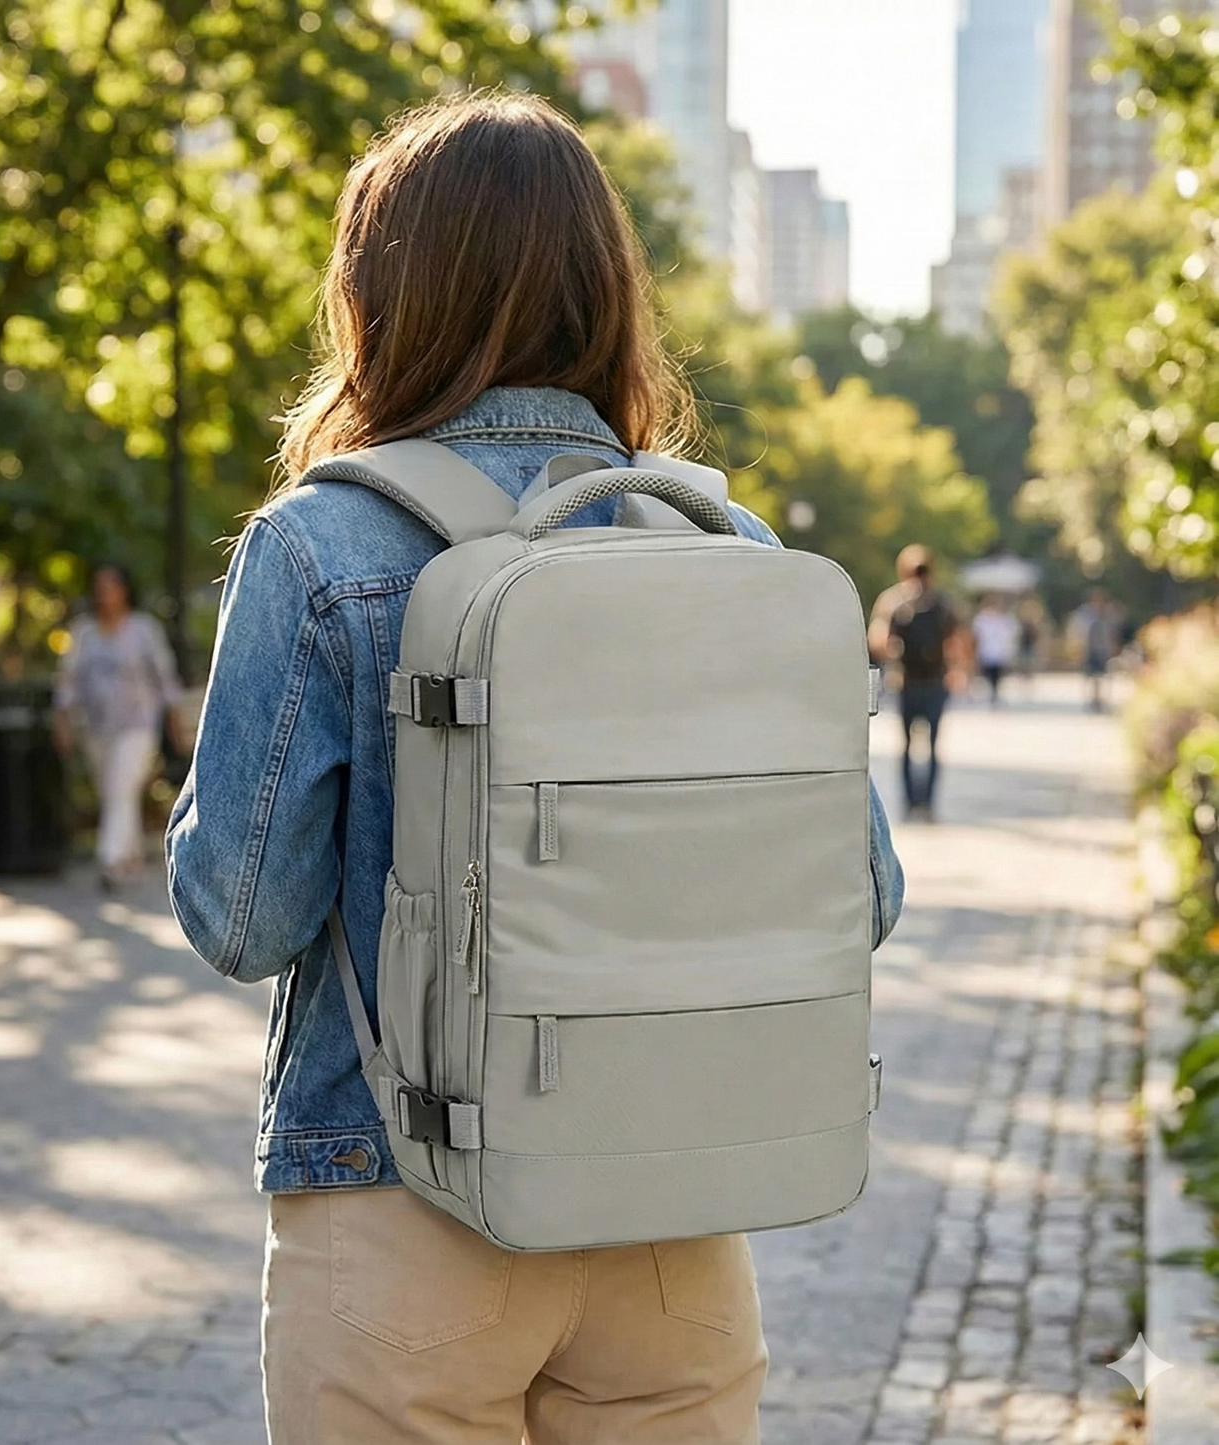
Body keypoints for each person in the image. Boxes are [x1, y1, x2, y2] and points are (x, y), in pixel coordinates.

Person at [166, 93, 905, 1445]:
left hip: (399, 1202)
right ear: (606, 288)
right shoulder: (722, 544)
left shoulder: (321, 546)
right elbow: (861, 897)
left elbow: (241, 915)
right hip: (673, 1213)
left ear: (378, 295)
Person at [53, 563, 185, 889]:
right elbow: (68, 683)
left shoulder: (143, 629)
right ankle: (130, 857)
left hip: (138, 725)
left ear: (124, 590)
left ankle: (110, 859)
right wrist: (63, 722)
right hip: (96, 728)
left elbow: (165, 678)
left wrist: (175, 722)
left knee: (120, 787)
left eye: (110, 586)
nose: (104, 594)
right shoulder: (83, 632)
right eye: (99, 587)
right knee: (115, 793)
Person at [869, 545, 959, 821]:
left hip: (907, 681)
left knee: (907, 745)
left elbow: (878, 641)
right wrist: (958, 671)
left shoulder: (893, 601)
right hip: (934, 681)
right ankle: (927, 802)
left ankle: (910, 801)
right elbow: (956, 641)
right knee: (931, 745)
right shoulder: (942, 602)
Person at [1071, 588, 1121, 712]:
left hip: (1103, 649)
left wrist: (1113, 647)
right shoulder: (1085, 615)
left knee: (1102, 677)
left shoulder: (1108, 615)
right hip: (1089, 649)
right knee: (1091, 676)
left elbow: (1112, 633)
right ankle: (1093, 700)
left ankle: (1100, 700)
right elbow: (1079, 632)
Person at [971, 594, 1021, 706]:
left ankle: (995, 693)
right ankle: (992, 693)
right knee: (988, 675)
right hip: (986, 652)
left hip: (999, 653)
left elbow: (1013, 632)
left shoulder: (1004, 619)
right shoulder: (981, 619)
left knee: (997, 675)